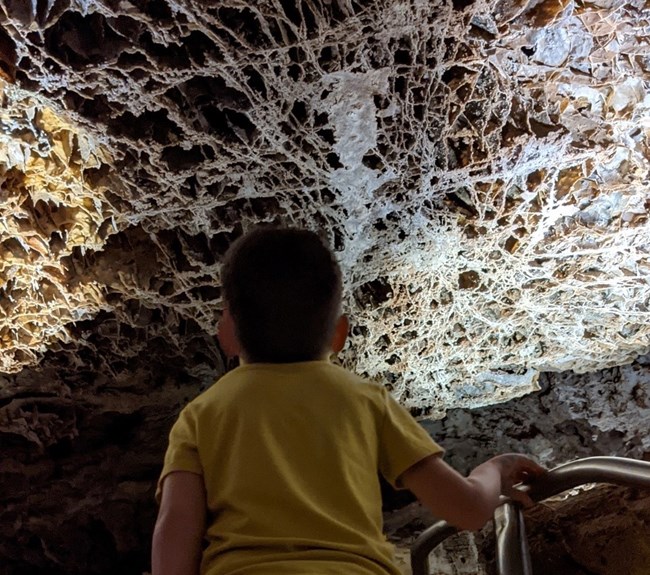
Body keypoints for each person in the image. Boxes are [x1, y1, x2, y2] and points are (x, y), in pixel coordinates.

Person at [152, 226, 545, 575]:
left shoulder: (201, 415)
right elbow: (469, 510)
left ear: (228, 332)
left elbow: (175, 529)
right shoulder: (365, 400)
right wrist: (495, 469)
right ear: (339, 334)